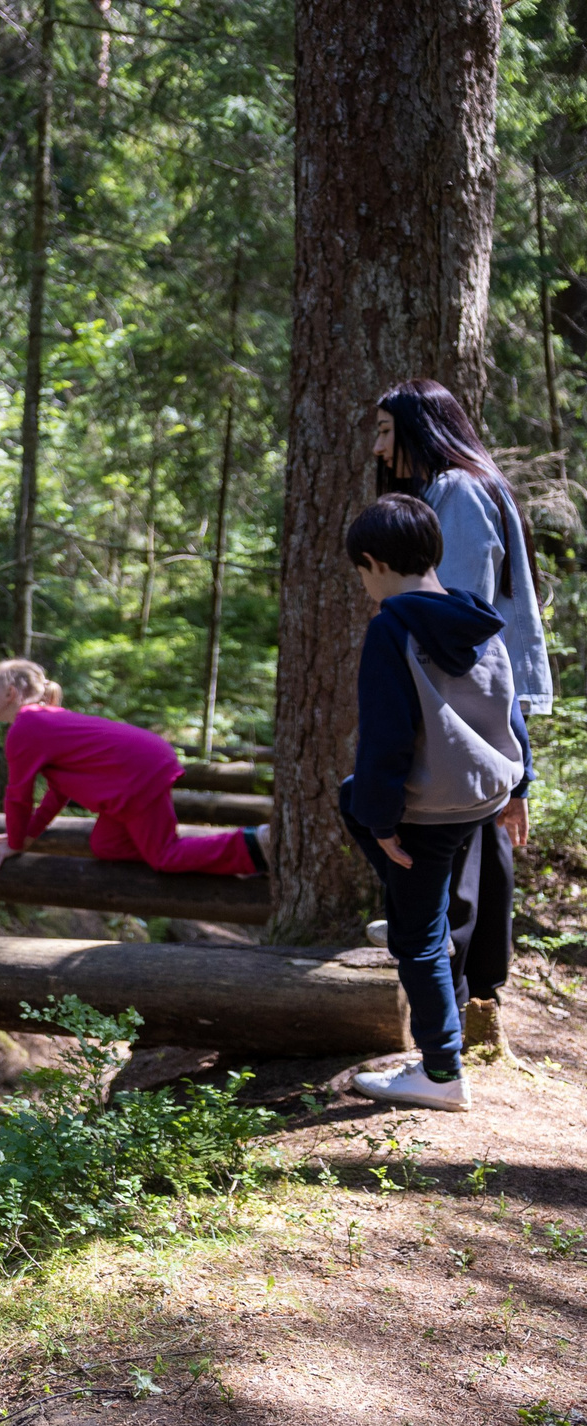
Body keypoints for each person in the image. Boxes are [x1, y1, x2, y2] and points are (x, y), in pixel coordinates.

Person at [336, 494, 531, 1113]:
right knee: (353, 801)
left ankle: (442, 1072)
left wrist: (385, 822)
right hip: (481, 795)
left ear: (371, 562)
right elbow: (512, 709)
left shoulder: (393, 628)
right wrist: (520, 788)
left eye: (361, 573)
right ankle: (418, 916)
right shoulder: (480, 620)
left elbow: (386, 736)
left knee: (418, 940)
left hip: (429, 809)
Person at [372, 380, 552, 1050]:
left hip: (470, 690)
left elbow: (466, 611)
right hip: (475, 689)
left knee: (473, 831)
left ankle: (469, 992)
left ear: (420, 428)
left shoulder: (460, 491)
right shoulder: (465, 487)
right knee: (477, 829)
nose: (379, 447)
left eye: (387, 430)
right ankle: (466, 982)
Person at [0, 659, 263, 878]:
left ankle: (255, 844)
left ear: (10, 692)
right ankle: (215, 855)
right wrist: (27, 835)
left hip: (137, 775)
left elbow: (18, 796)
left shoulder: (26, 727)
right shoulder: (40, 721)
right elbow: (57, 793)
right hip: (139, 768)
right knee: (106, 845)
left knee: (165, 856)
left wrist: (16, 844)